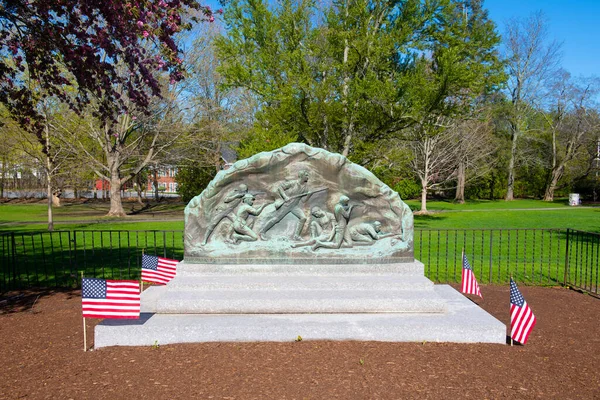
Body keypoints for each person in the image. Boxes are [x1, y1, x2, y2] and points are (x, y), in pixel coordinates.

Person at [259, 170, 313, 241]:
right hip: (286, 205)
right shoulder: (293, 183)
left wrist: (309, 195)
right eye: (306, 175)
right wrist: (285, 197)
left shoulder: (305, 188)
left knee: (303, 218)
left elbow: (303, 201)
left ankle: (296, 236)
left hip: (294, 206)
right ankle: (262, 231)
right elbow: (280, 187)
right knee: (276, 219)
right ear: (302, 176)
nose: (307, 177)